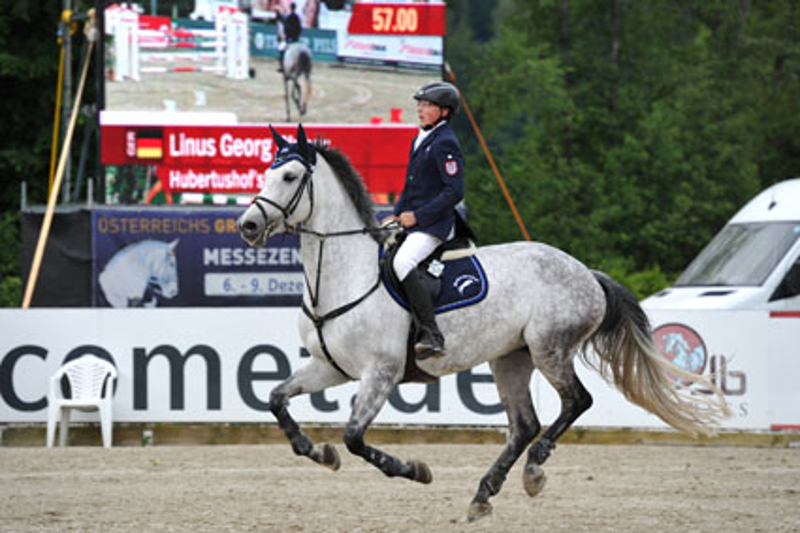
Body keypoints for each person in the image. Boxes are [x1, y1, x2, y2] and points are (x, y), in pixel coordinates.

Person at [385, 81, 465, 360]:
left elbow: (454, 191)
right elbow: (411, 184)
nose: (420, 109)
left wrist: (417, 216)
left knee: (402, 262)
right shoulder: (420, 138)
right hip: (413, 221)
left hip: (434, 225)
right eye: (419, 104)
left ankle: (431, 332)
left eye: (427, 105)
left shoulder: (445, 142)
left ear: (444, 112)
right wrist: (398, 211)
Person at [275, 2, 302, 73]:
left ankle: (283, 66)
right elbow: (299, 29)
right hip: (294, 39)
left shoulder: (290, 17)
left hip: (290, 39)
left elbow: (286, 26)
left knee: (282, 52)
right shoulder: (296, 18)